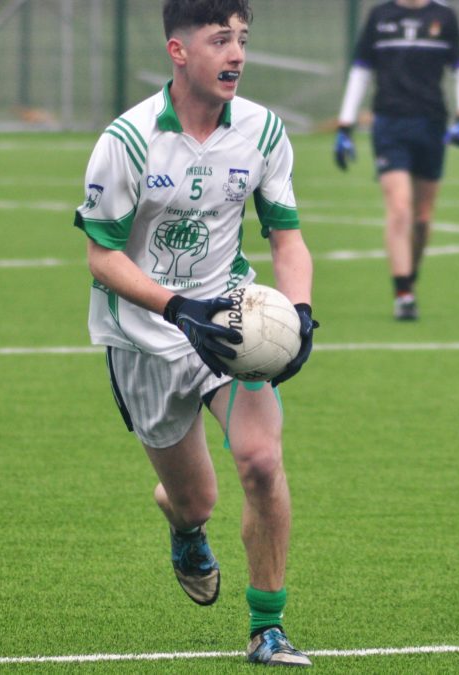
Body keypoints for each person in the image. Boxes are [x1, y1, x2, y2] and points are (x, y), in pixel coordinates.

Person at [73, 0, 317, 667]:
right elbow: (102, 255)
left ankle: (267, 628)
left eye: (242, 38)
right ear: (178, 52)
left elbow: (287, 237)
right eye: (219, 40)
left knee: (262, 462)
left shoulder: (263, 133)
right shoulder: (125, 141)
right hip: (145, 337)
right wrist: (174, 305)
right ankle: (184, 524)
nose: (236, 53)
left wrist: (298, 312)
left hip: (230, 321)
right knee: (196, 496)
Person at [333, 0, 459, 320]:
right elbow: (361, 71)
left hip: (432, 125)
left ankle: (409, 277)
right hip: (389, 124)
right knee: (399, 208)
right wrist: (346, 124)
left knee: (423, 219)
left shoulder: (444, 17)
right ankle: (403, 293)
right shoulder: (379, 16)